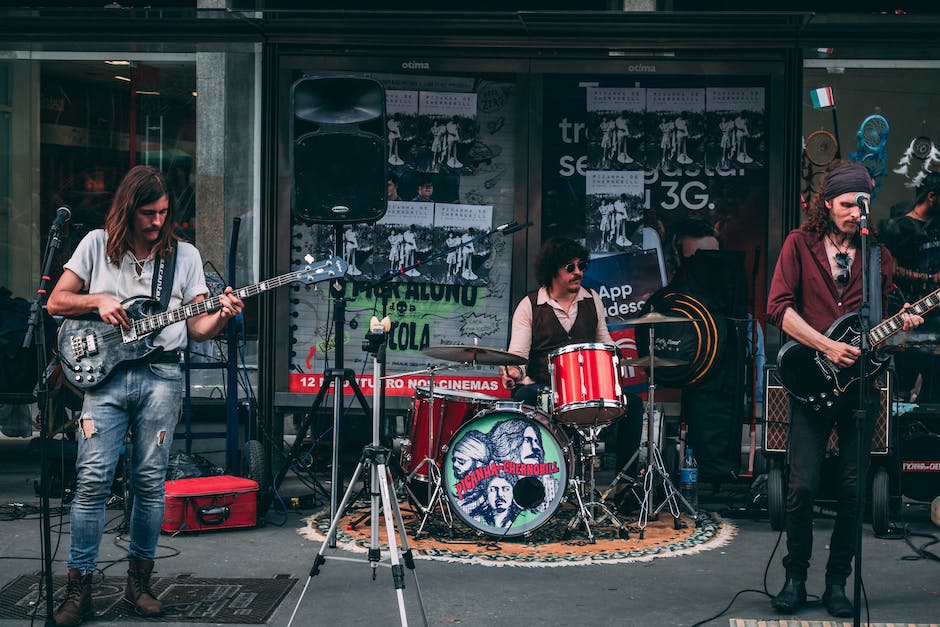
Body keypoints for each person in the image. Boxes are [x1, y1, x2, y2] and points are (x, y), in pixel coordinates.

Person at [46, 165, 244, 625]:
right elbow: (56, 301)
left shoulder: (185, 256)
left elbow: (197, 329)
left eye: (163, 213)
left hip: (161, 376)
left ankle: (140, 582)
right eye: (148, 213)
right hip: (105, 378)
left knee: (150, 482)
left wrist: (223, 315)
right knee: (93, 479)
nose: (157, 222)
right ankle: (80, 587)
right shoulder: (96, 244)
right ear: (128, 209)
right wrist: (97, 301)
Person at [766, 161, 922, 617]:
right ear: (828, 204)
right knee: (802, 486)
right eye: (849, 204)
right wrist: (827, 347)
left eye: (863, 204)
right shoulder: (800, 245)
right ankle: (796, 579)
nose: (857, 212)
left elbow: (876, 328)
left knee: (854, 491)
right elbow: (778, 309)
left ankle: (837, 583)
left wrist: (903, 323)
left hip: (860, 390)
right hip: (811, 380)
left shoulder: (879, 256)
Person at [879, 171, 940, 401]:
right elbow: (891, 269)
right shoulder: (900, 227)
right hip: (907, 316)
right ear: (931, 197)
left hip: (936, 320)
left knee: (934, 389)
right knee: (902, 387)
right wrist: (929, 278)